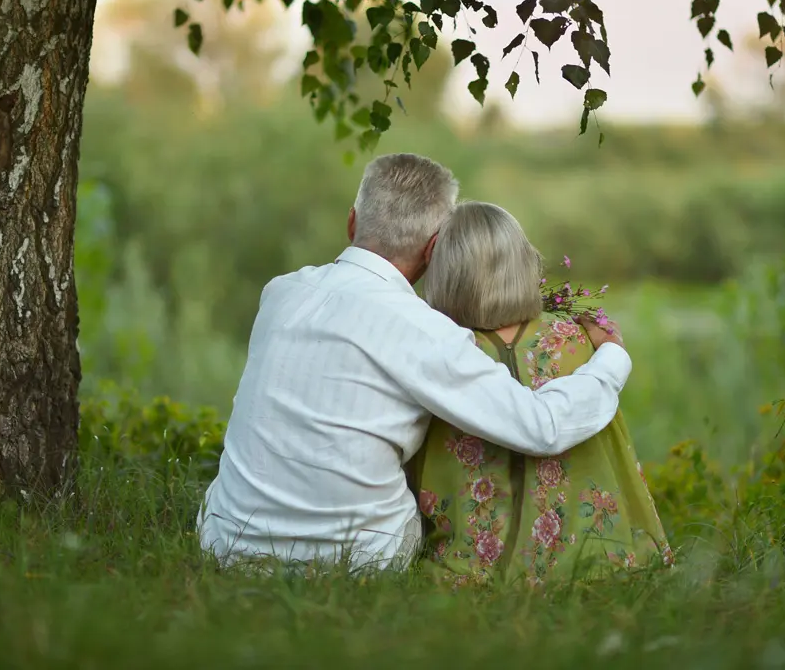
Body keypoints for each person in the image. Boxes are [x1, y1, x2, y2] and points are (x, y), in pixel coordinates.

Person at [196, 153, 632, 572]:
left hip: (227, 542)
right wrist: (611, 355)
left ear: (352, 222)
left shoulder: (280, 292)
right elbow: (541, 427)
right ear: (434, 249)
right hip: (357, 561)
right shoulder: (425, 331)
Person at [408, 201, 672, 585]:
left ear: (446, 273)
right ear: (524, 263)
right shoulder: (575, 343)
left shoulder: (443, 353)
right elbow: (614, 451)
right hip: (585, 564)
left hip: (466, 570)